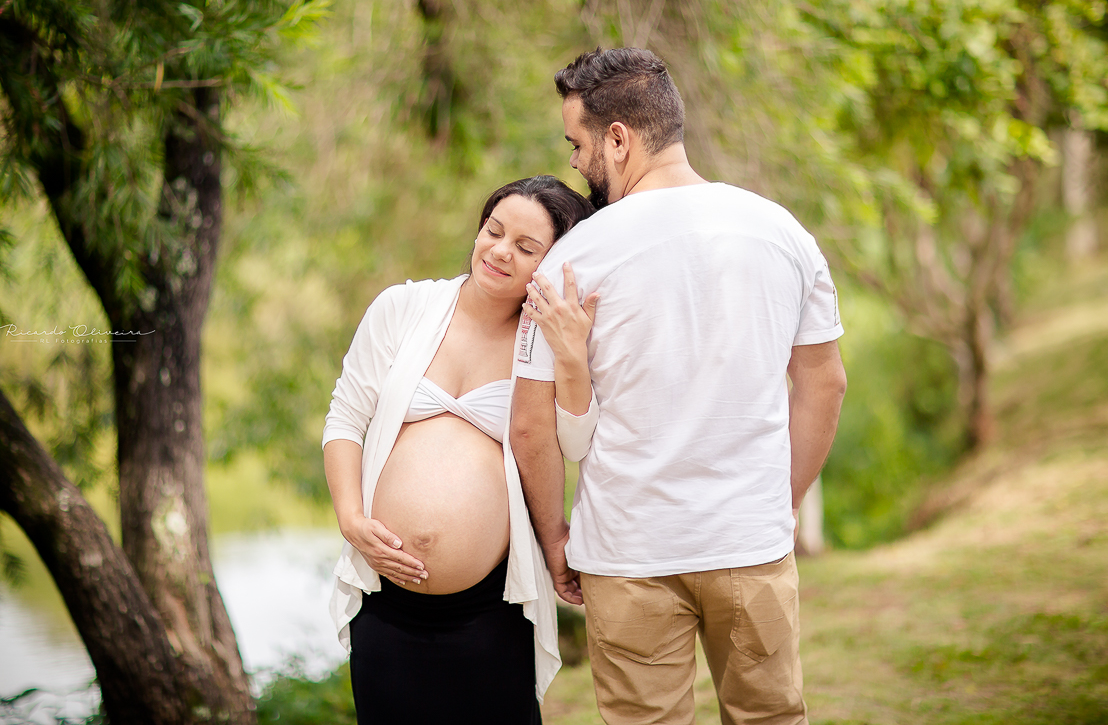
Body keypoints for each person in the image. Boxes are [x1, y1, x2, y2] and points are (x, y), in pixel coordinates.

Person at [511, 47, 849, 725]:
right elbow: (825, 384)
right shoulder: (783, 233)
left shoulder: (574, 257)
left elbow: (529, 424)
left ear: (619, 137)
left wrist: (554, 541)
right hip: (748, 541)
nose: (576, 163)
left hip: (628, 554)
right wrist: (777, 505)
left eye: (579, 143)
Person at [321, 175, 599, 725]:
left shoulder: (545, 340)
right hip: (386, 602)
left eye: (526, 247)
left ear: (552, 262)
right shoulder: (402, 307)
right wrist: (351, 519)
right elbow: (345, 420)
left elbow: (574, 440)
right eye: (493, 232)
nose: (499, 251)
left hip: (489, 609)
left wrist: (571, 357)